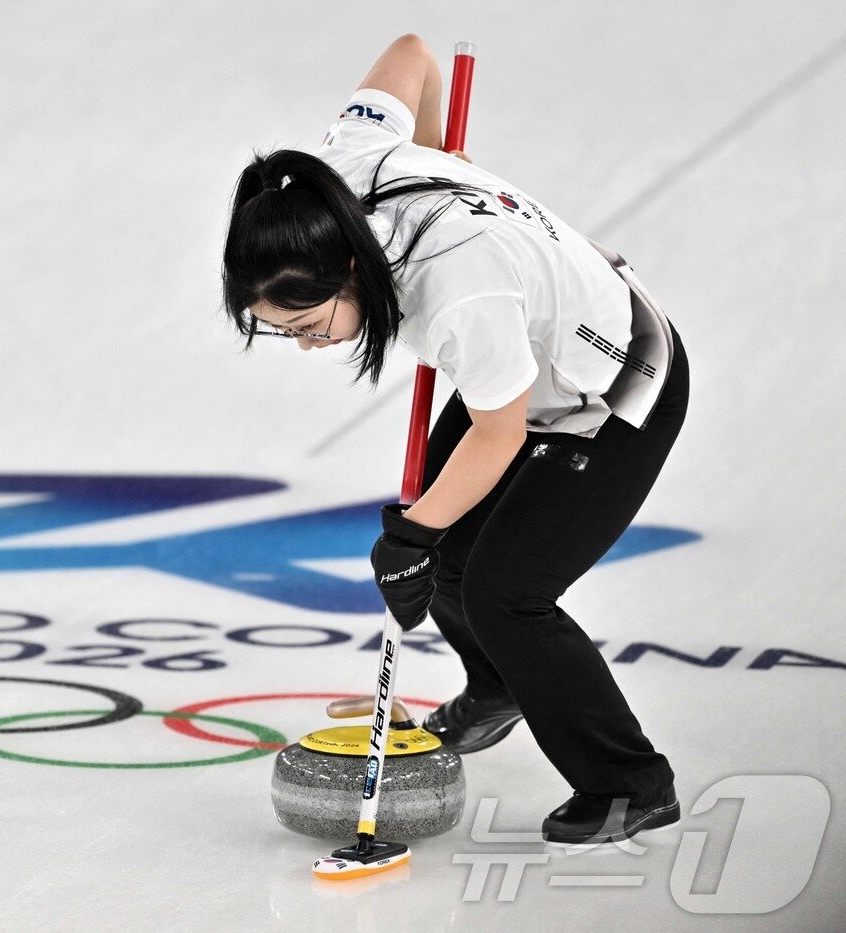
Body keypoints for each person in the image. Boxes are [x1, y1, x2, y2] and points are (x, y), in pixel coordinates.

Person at [220, 34, 689, 846]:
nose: (306, 345)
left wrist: (414, 531)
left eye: (308, 325)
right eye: (280, 331)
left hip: (612, 388)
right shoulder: (345, 166)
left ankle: (630, 780)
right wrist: (433, 145)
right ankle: (501, 684)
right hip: (518, 361)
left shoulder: (457, 289)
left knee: (505, 590)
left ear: (352, 273)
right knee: (437, 551)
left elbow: (501, 433)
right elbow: (411, 52)